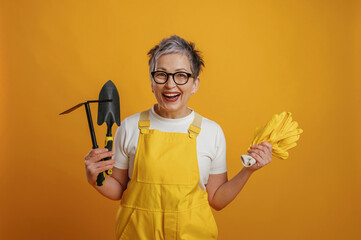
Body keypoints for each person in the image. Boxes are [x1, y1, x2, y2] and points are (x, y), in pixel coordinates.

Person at [84, 35, 272, 240]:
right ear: (151, 82)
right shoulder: (129, 127)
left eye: (181, 75)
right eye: (161, 75)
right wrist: (95, 179)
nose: (170, 84)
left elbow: (217, 199)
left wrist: (248, 170)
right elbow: (118, 189)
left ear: (195, 83)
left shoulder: (212, 132)